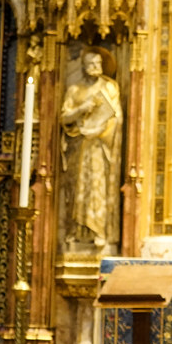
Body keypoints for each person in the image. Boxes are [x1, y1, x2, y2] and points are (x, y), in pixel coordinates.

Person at [60, 49, 123, 251]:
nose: (96, 67)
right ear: (83, 67)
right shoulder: (75, 91)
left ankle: (99, 231)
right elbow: (64, 118)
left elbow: (117, 117)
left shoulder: (110, 87)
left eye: (98, 63)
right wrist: (80, 109)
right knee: (77, 189)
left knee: (98, 188)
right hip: (79, 147)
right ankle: (76, 231)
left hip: (100, 146)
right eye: (91, 64)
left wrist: (100, 130)